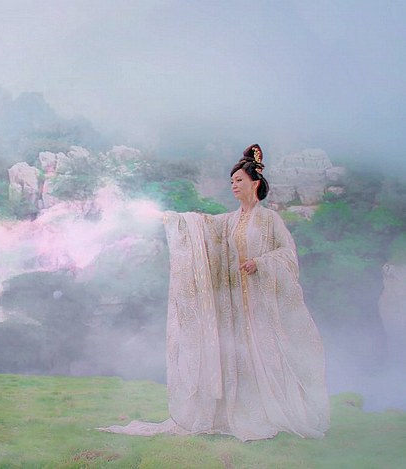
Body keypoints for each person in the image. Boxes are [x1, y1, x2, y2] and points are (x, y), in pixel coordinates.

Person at [99, 144, 330, 441]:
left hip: (262, 304)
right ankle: (243, 412)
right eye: (232, 181)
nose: (233, 185)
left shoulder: (270, 220)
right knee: (239, 356)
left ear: (255, 183)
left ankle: (274, 411)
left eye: (239, 180)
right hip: (234, 306)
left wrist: (260, 263)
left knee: (267, 354)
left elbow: (287, 254)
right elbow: (204, 226)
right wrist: (172, 219)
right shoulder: (230, 220)